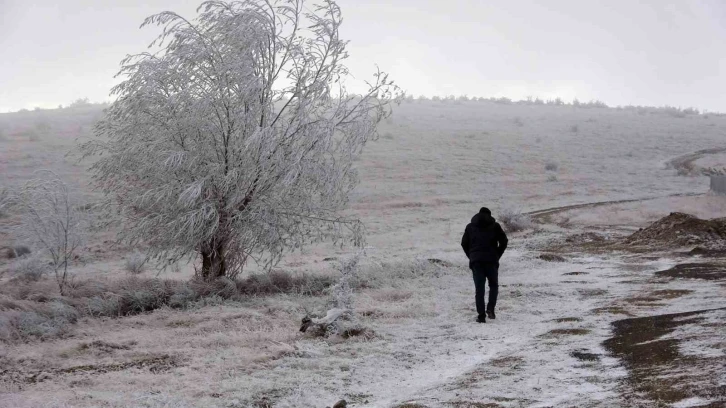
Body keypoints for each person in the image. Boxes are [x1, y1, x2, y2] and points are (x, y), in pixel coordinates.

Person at [461, 207, 508, 323]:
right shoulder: (495, 226)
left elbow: (464, 243)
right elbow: (504, 241)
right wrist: (497, 255)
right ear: (489, 215)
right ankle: (490, 308)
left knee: (479, 288)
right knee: (493, 285)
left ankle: (481, 316)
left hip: (476, 261)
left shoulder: (470, 227)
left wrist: (472, 256)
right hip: (491, 260)